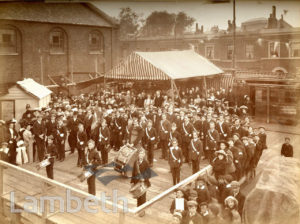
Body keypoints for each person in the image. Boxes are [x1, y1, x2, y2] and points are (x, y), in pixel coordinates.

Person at [130, 149, 151, 216]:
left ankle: (142, 211)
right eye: (140, 154)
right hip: (136, 182)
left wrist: (144, 179)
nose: (141, 155)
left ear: (144, 155)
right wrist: (132, 181)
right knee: (138, 196)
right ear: (138, 155)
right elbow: (133, 172)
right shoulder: (136, 162)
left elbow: (149, 174)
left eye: (142, 154)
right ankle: (138, 209)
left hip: (143, 183)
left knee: (143, 197)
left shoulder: (146, 163)